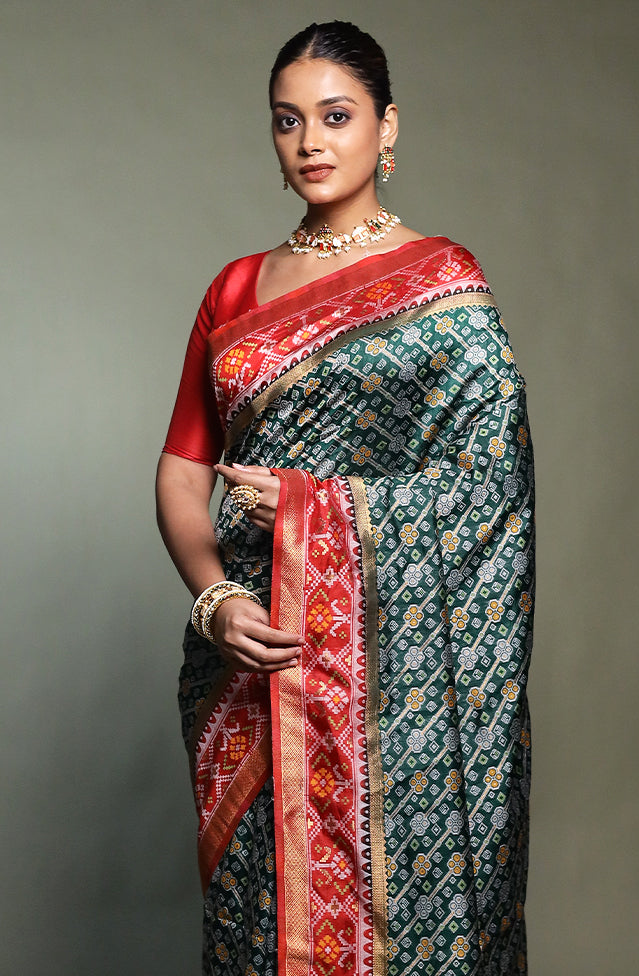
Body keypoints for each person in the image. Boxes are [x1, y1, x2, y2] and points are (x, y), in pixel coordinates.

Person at [156, 20, 535, 976]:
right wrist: (216, 597)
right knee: (259, 933)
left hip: (398, 687)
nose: (310, 142)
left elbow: (488, 484)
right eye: (287, 121)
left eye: (336, 116)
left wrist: (308, 505)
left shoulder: (444, 284)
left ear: (386, 126)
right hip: (257, 665)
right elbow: (182, 470)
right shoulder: (237, 288)